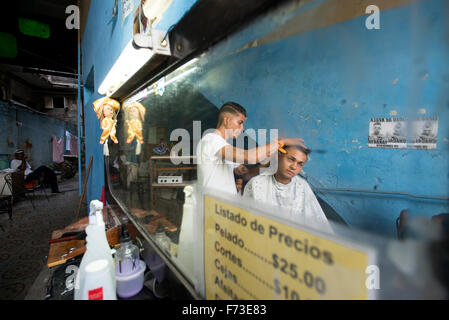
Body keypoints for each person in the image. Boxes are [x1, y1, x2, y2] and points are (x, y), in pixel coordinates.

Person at [196, 101, 305, 195]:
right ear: (227, 120)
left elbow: (245, 174)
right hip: (213, 206)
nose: (242, 128)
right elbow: (249, 157)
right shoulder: (211, 140)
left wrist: (269, 161)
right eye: (240, 123)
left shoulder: (224, 148)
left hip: (224, 208)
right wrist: (281, 142)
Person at [243, 144, 332, 233]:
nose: (294, 167)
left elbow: (319, 224)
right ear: (279, 156)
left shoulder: (302, 187)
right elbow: (245, 223)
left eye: (300, 164)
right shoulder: (257, 183)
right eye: (291, 159)